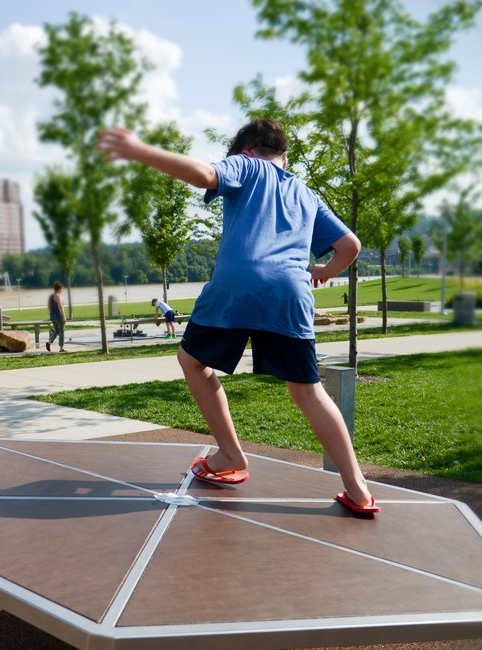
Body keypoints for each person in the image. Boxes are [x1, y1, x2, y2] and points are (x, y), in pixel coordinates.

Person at [97, 119, 379, 515]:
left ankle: (230, 454)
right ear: (285, 157)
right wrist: (324, 271)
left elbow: (204, 175)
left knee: (192, 361)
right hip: (291, 293)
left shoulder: (247, 165)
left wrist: (138, 150)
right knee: (308, 391)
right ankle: (358, 488)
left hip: (238, 287)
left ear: (246, 151)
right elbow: (350, 245)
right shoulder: (306, 194)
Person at [45, 281, 67, 352]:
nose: (62, 290)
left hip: (52, 316)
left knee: (56, 331)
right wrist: (64, 316)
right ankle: (61, 348)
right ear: (60, 288)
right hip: (59, 316)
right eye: (62, 288)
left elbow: (48, 307)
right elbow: (60, 306)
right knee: (61, 332)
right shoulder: (58, 296)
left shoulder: (50, 296)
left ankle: (49, 342)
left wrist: (52, 314)